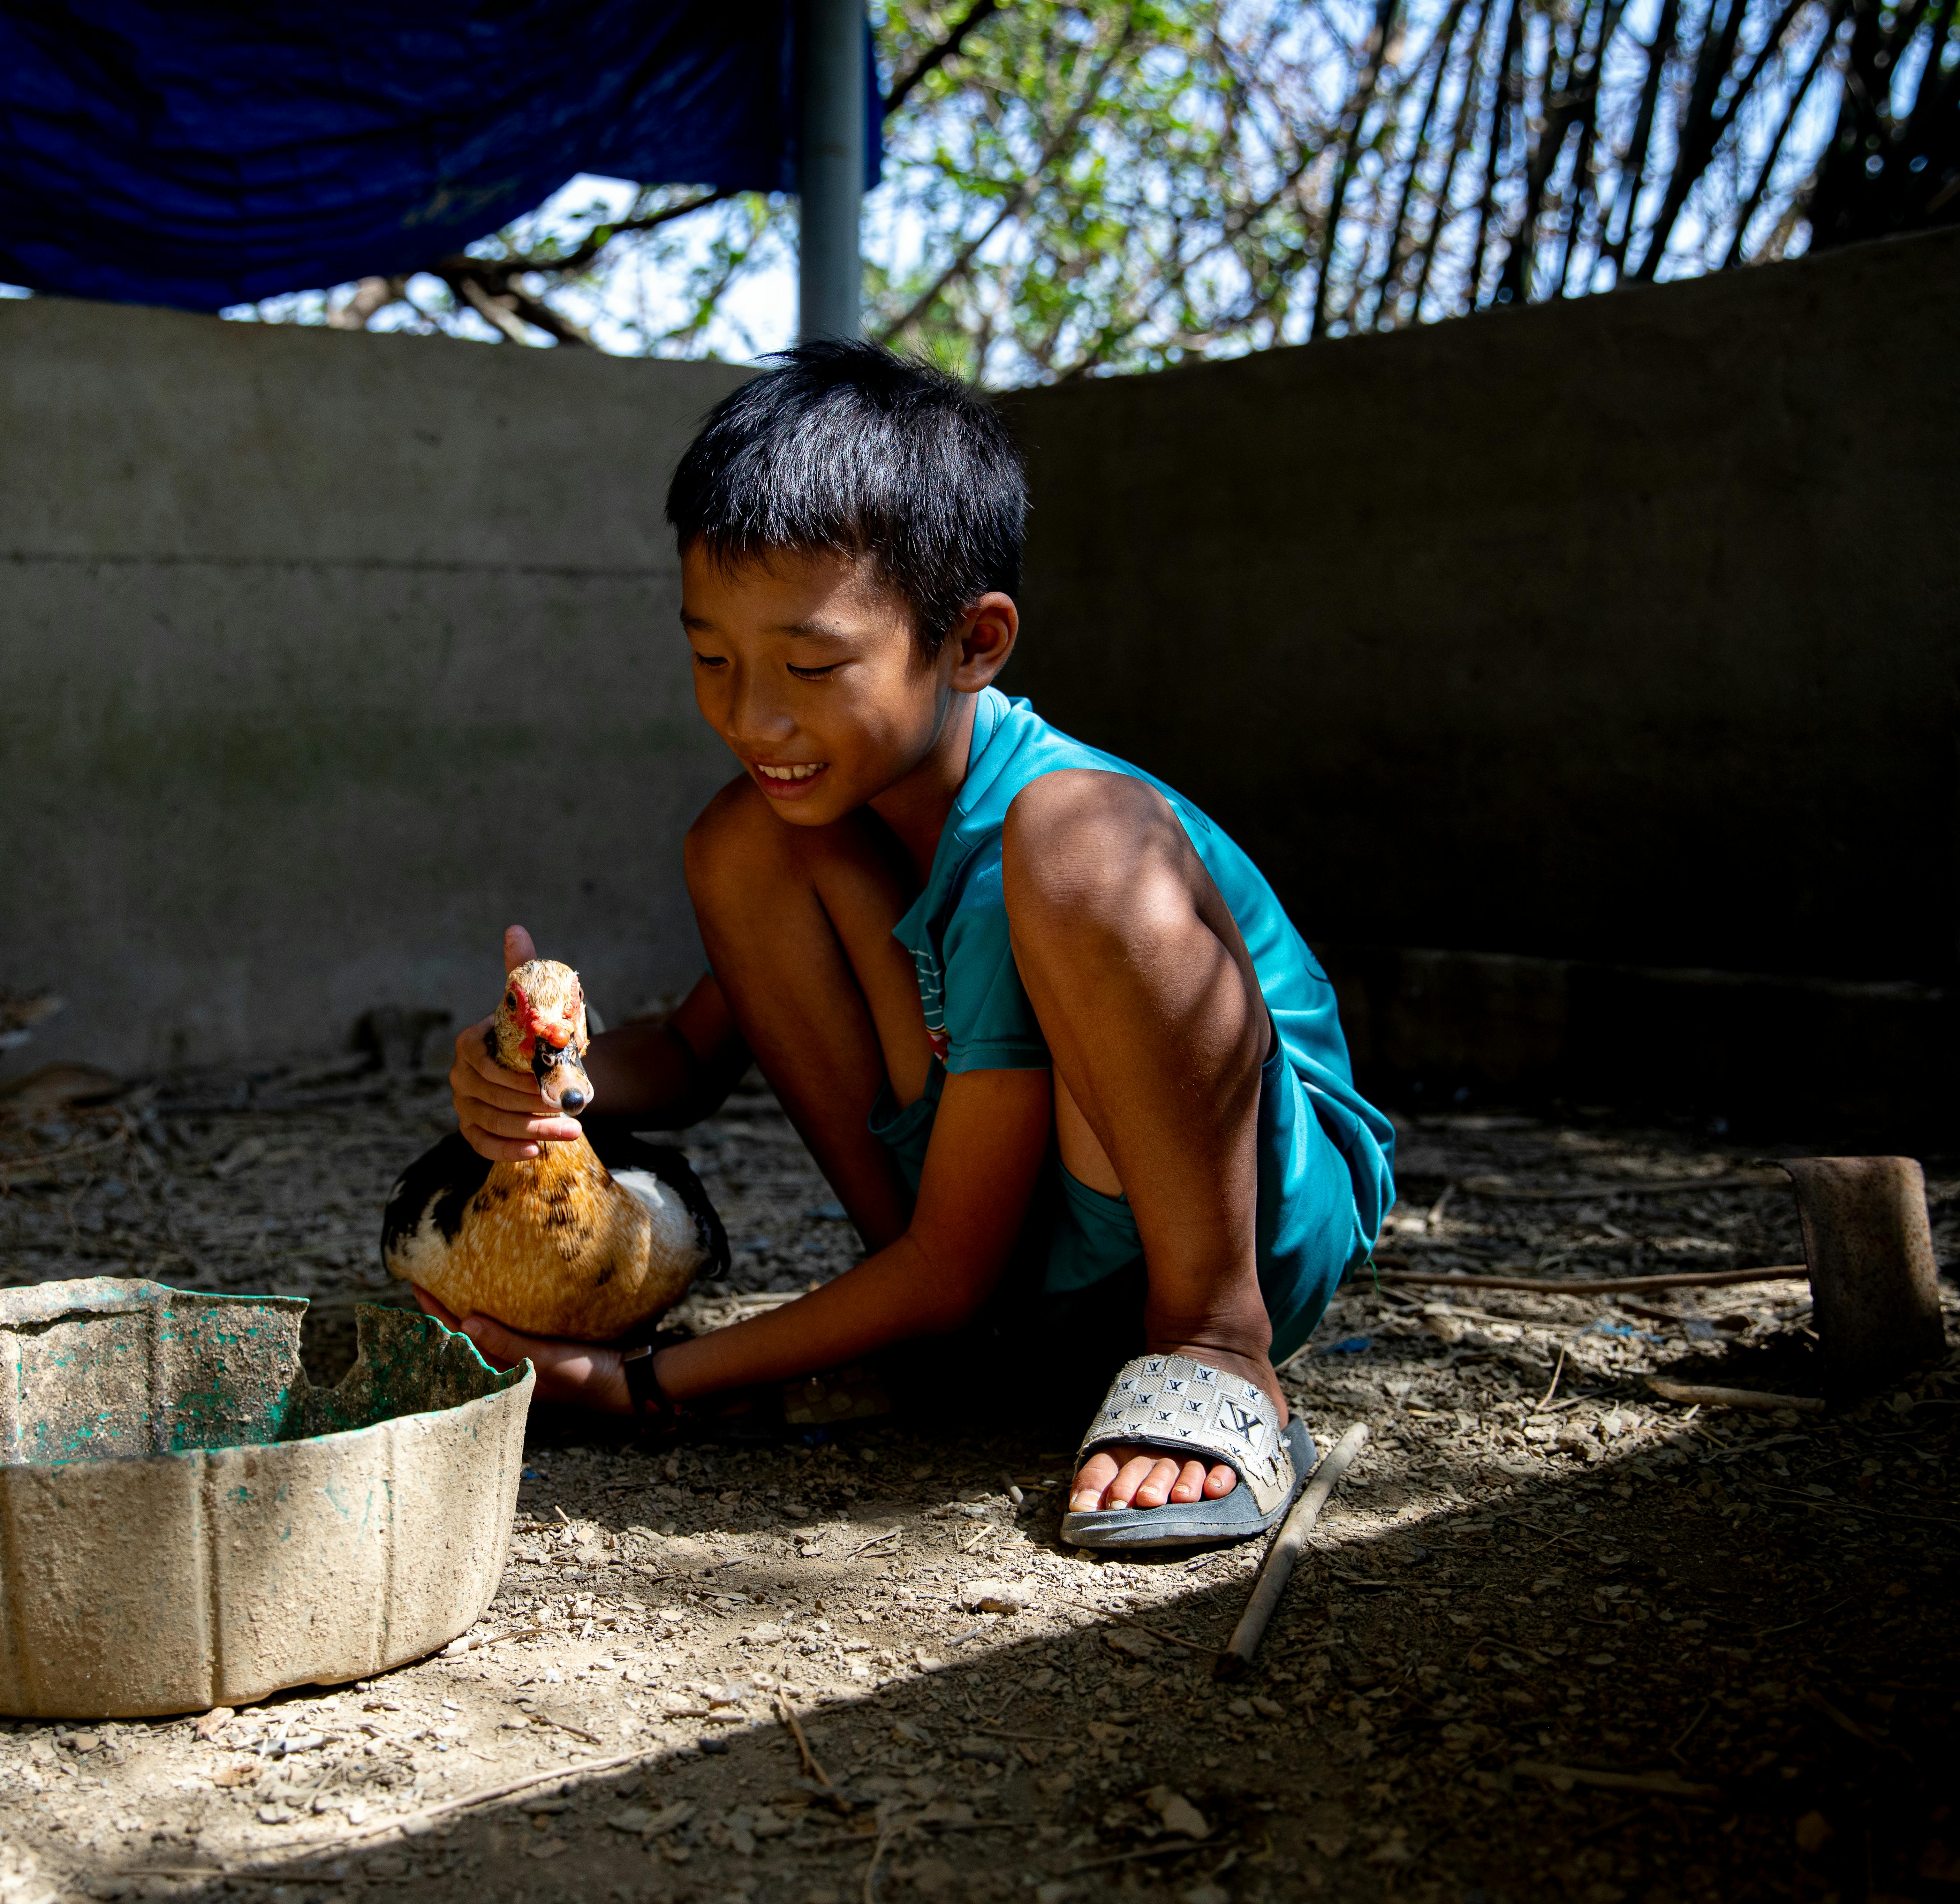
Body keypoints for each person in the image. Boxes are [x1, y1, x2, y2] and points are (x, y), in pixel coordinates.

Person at [418, 341, 1394, 1547]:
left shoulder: (1052, 824)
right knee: (740, 839)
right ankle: (967, 1348)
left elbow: (951, 1256)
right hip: (987, 1253)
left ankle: (1214, 1351)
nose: (750, 715)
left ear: (974, 644)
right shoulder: (833, 814)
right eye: (710, 658)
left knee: (1072, 844)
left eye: (812, 665)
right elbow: (688, 1053)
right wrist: (540, 1067)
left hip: (1231, 1204)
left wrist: (641, 1383)